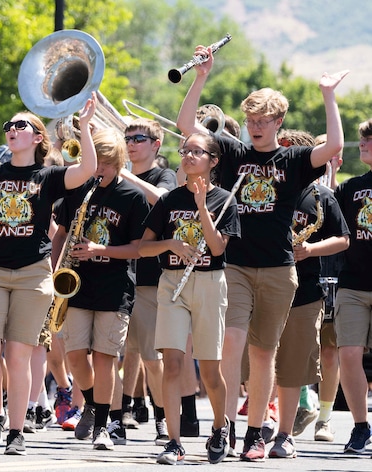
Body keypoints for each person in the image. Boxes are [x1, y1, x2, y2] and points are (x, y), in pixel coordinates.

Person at [175, 42, 347, 462]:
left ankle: (257, 432)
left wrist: (328, 96)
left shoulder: (293, 158)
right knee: (232, 342)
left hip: (278, 268)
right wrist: (201, 77)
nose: (254, 126)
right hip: (234, 263)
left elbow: (333, 147)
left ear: (279, 121)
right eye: (250, 119)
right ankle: (223, 427)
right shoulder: (233, 151)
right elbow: (186, 125)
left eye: (262, 120)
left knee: (263, 353)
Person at [0, 92, 98, 455]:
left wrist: (85, 128)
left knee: (18, 357)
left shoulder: (49, 175)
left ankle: (15, 429)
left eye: (20, 125)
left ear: (37, 137)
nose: (11, 130)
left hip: (32, 274)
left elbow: (87, 170)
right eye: (8, 126)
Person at [138, 132, 240, 465]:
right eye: (185, 151)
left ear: (213, 160)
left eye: (197, 151)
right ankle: (174, 440)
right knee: (173, 364)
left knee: (210, 370)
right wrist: (170, 245)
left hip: (210, 283)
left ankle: (220, 428)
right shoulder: (168, 200)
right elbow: (143, 246)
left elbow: (217, 248)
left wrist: (201, 206)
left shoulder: (225, 199)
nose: (189, 156)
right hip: (172, 284)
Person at [56, 128, 150, 451]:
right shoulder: (79, 190)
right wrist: (57, 269)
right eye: (97, 162)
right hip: (77, 283)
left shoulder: (132, 197)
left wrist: (100, 250)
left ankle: (101, 427)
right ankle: (96, 405)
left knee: (105, 358)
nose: (100, 170)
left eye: (107, 164)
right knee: (75, 355)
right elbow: (61, 233)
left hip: (115, 287)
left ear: (119, 163)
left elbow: (138, 248)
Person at [267, 129, 350, 458]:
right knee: (267, 353)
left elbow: (343, 236)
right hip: (272, 282)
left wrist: (311, 249)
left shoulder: (326, 193)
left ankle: (320, 418)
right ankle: (272, 415)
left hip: (317, 280)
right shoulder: (270, 192)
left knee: (324, 352)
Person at [118, 117, 177, 445]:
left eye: (139, 138)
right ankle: (117, 414)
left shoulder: (162, 175)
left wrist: (124, 174)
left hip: (150, 278)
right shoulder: (120, 180)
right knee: (123, 353)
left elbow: (163, 200)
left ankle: (163, 418)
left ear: (156, 145)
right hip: (119, 274)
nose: (131, 143)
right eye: (128, 138)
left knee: (153, 359)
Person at [333, 118, 372, 455]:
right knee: (348, 354)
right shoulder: (351, 187)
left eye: (369, 138)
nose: (363, 143)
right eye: (362, 138)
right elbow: (328, 216)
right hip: (353, 284)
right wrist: (331, 173)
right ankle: (360, 427)